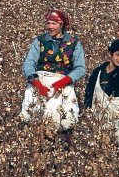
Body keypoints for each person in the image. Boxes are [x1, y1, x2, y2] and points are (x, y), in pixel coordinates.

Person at [20, 9, 86, 142]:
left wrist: (63, 82)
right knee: (31, 114)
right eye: (48, 23)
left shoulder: (74, 43)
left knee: (65, 117)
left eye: (54, 24)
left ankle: (61, 146)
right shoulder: (39, 41)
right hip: (40, 79)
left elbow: (80, 68)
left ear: (61, 24)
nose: (50, 27)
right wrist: (37, 84)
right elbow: (28, 64)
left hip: (63, 81)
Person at [83, 38, 119, 145]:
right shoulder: (98, 71)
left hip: (117, 114)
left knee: (117, 142)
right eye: (117, 55)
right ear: (111, 54)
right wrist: (87, 108)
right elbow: (89, 90)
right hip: (98, 114)